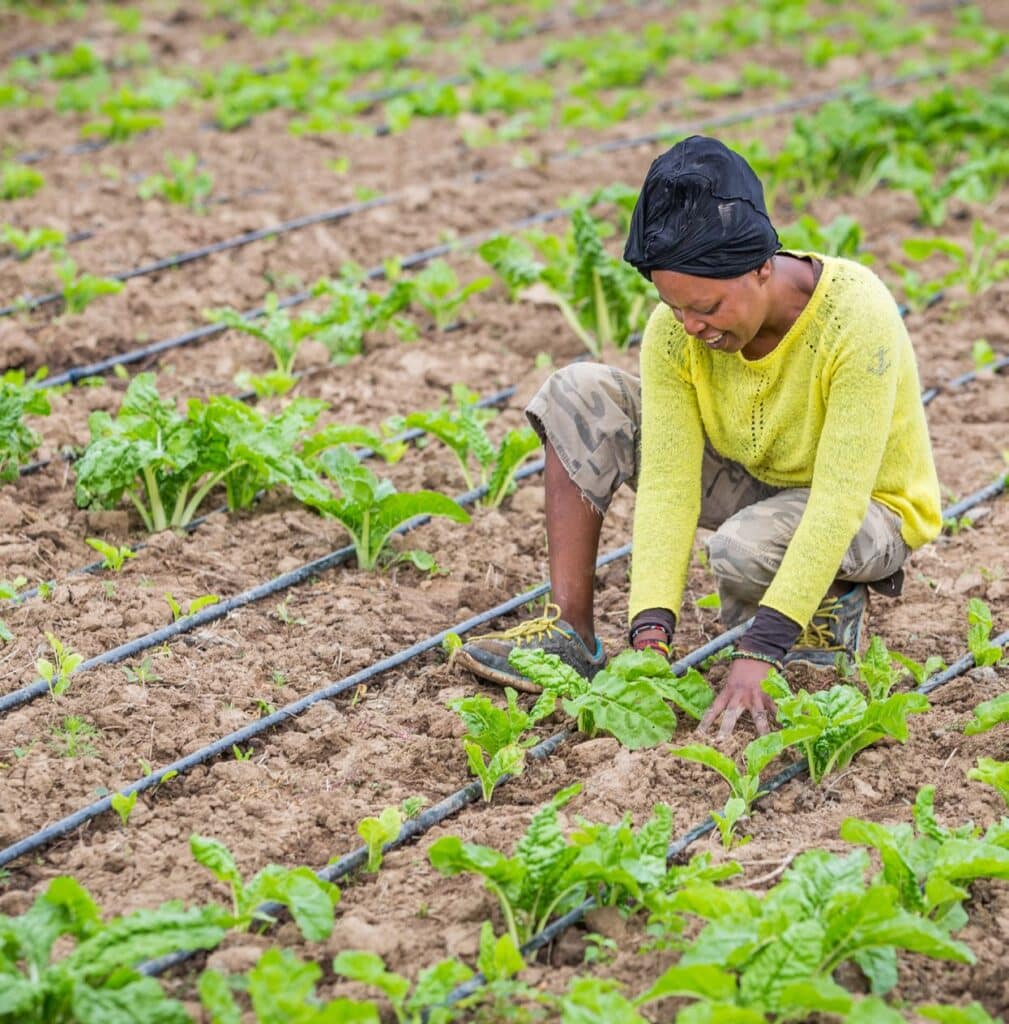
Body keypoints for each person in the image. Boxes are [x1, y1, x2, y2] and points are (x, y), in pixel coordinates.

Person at [454, 136, 941, 738]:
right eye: (674, 306)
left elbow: (838, 501)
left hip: (869, 511)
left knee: (740, 547)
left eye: (706, 306)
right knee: (579, 392)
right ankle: (570, 632)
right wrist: (650, 633)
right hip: (755, 483)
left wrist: (760, 649)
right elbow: (668, 484)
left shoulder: (854, 316)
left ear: (763, 266)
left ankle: (826, 603)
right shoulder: (677, 333)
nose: (692, 327)